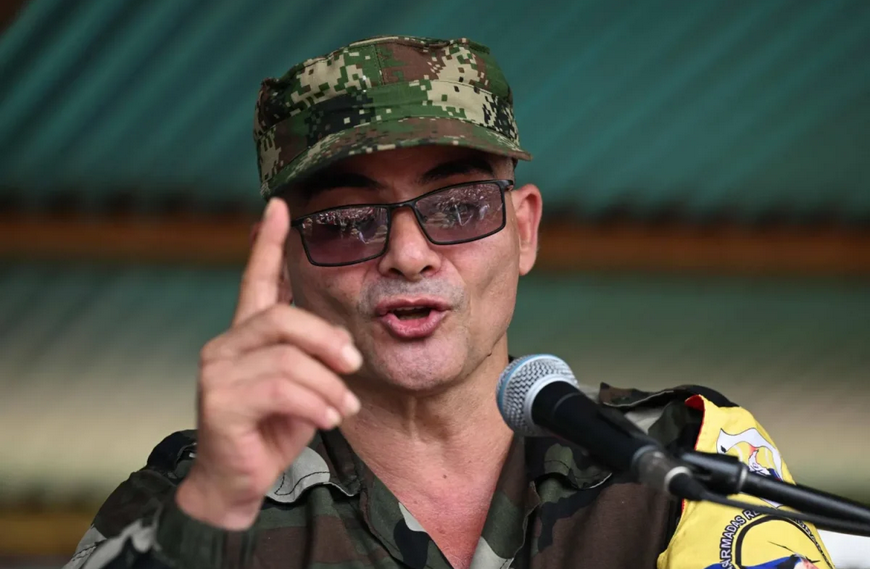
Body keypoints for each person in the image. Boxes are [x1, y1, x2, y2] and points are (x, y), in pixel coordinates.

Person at [64, 36, 834, 569]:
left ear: (524, 230)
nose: (408, 254)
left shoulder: (683, 455)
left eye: (460, 207)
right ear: (285, 263)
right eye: (346, 223)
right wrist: (210, 513)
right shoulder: (187, 498)